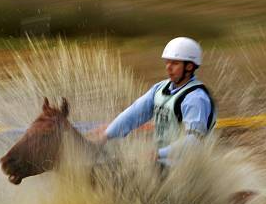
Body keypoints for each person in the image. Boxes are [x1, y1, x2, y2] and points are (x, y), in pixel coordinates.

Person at [91, 37, 216, 167]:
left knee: (113, 171)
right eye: (167, 62)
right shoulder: (159, 89)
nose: (168, 67)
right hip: (161, 162)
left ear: (189, 67)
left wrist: (158, 153)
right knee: (107, 165)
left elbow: (194, 142)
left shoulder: (195, 98)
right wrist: (106, 135)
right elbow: (133, 114)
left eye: (175, 63)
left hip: (183, 167)